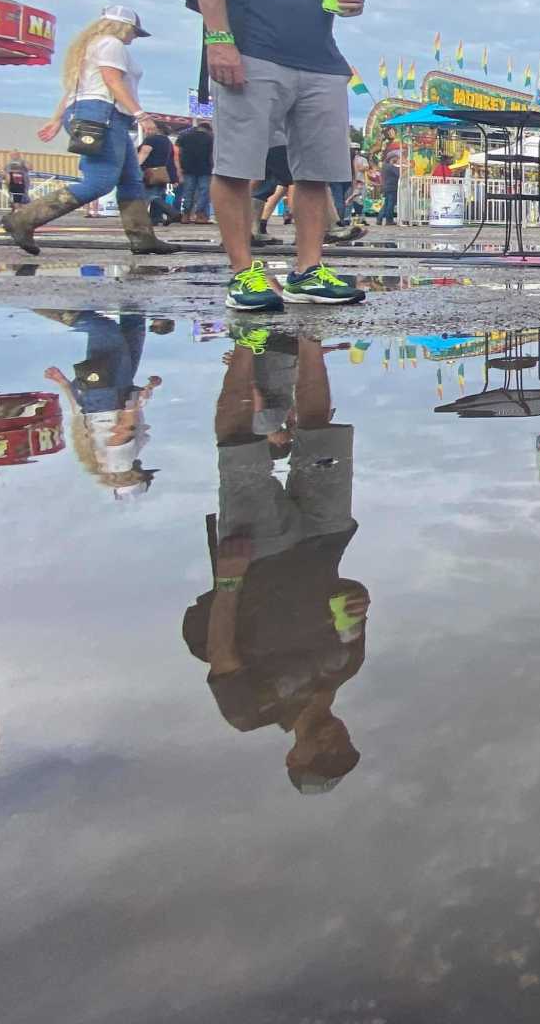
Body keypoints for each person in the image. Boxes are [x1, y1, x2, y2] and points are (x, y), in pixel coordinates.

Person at [192, 0, 367, 311]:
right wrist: (219, 40)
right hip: (252, 49)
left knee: (316, 171)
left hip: (320, 58)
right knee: (237, 166)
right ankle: (243, 273)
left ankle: (307, 271)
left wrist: (352, 3)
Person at [183, 327, 366, 794]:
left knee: (239, 449)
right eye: (342, 751)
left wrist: (227, 581)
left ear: (294, 756)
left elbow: (222, 652)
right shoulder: (345, 667)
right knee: (320, 430)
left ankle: (248, 339)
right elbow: (352, 599)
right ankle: (309, 336)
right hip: (325, 540)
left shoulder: (251, 712)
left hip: (258, 559)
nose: (333, 744)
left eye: (322, 758)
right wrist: (358, 601)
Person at [5, 5, 178, 256]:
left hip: (92, 111)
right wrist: (141, 114)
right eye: (134, 32)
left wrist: (56, 119)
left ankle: (143, 237)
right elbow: (112, 81)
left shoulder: (90, 46)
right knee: (100, 182)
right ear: (124, 27)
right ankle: (24, 219)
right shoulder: (111, 44)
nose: (134, 38)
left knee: (131, 179)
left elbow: (74, 89)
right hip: (105, 114)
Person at [37, 307, 169, 498]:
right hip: (106, 396)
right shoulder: (96, 460)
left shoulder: (121, 462)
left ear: (135, 477)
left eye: (144, 475)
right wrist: (64, 383)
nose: (143, 469)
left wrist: (133, 407)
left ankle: (66, 314)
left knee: (105, 331)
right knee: (133, 331)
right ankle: (131, 299)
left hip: (109, 398)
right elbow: (81, 417)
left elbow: (121, 431)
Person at [136, 115, 177, 225]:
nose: (147, 131)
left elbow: (144, 152)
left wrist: (135, 166)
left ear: (156, 129)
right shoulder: (167, 142)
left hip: (149, 171)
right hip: (162, 172)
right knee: (157, 194)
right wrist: (174, 177)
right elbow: (171, 160)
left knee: (148, 195)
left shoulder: (152, 139)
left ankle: (172, 212)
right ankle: (156, 218)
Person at [174, 119, 215, 223]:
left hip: (187, 169)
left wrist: (178, 169)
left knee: (188, 192)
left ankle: (186, 215)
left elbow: (176, 153)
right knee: (204, 193)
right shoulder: (211, 138)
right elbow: (212, 156)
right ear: (209, 129)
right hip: (205, 169)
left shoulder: (184, 136)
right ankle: (200, 215)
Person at [377, 139, 402, 225]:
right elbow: (398, 174)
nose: (398, 159)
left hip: (387, 187)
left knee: (386, 204)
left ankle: (379, 219)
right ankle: (389, 220)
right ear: (392, 158)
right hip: (391, 187)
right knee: (390, 204)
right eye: (396, 158)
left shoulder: (385, 166)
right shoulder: (390, 166)